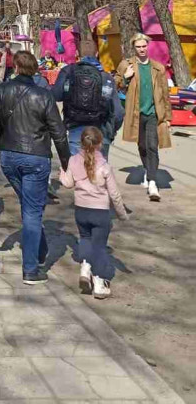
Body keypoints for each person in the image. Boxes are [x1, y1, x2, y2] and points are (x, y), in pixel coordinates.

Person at [0, 50, 70, 284]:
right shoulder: (44, 95)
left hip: (9, 156)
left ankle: (40, 250)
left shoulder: (1, 90)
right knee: (32, 211)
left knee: (29, 206)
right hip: (35, 157)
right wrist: (66, 163)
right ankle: (30, 269)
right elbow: (58, 131)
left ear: (16, 68)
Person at [60, 126, 129, 299]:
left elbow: (68, 184)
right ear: (99, 144)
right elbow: (114, 194)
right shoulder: (104, 165)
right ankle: (99, 283)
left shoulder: (74, 160)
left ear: (81, 142)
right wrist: (121, 214)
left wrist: (62, 173)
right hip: (100, 213)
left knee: (85, 238)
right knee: (99, 247)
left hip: (81, 211)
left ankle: (85, 267)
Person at [115, 33, 172, 201]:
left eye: (144, 46)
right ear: (134, 48)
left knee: (153, 146)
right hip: (136, 114)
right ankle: (148, 170)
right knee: (142, 146)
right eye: (138, 46)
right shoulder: (127, 65)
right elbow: (116, 84)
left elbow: (165, 94)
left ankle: (152, 182)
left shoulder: (158, 68)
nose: (141, 49)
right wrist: (125, 78)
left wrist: (168, 117)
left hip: (154, 113)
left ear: (148, 46)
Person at [51, 38, 124, 157]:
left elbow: (56, 95)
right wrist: (112, 130)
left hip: (75, 129)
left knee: (77, 167)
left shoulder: (68, 72)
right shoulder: (105, 77)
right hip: (100, 131)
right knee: (99, 167)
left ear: (77, 54)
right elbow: (118, 112)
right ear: (97, 53)